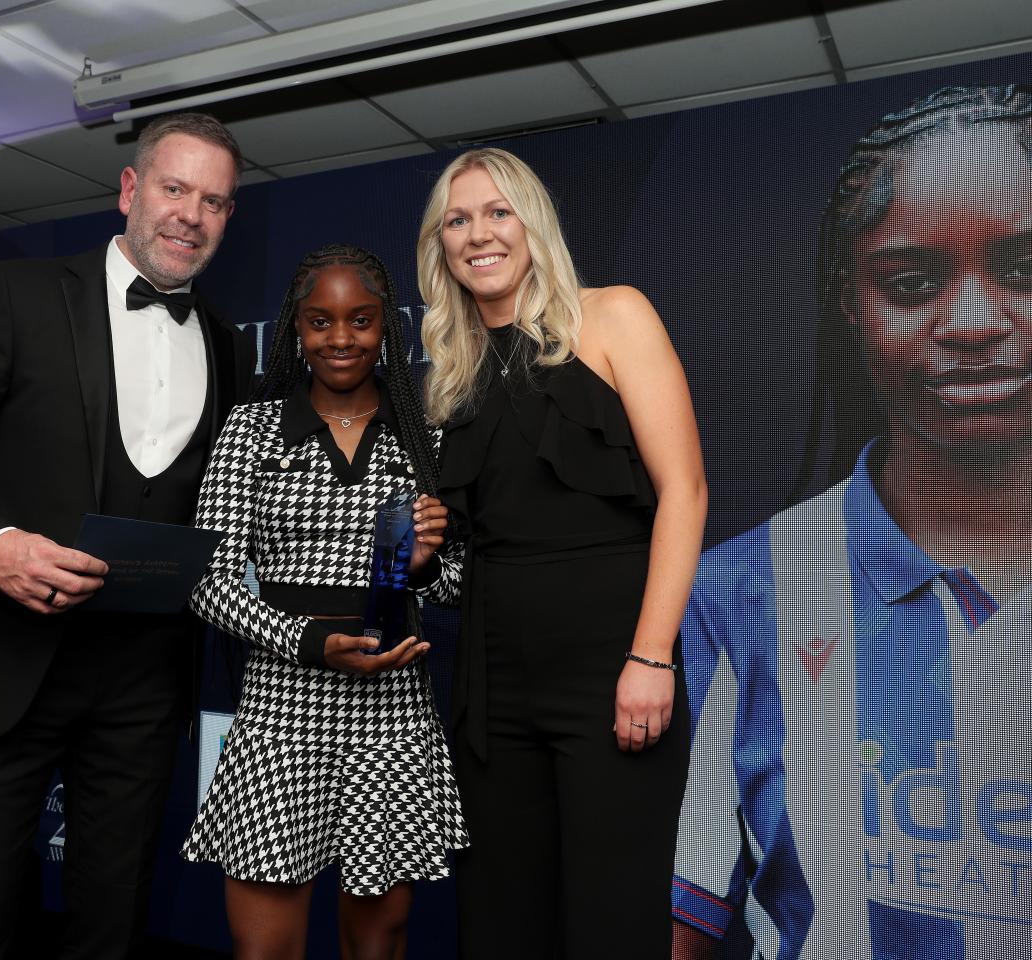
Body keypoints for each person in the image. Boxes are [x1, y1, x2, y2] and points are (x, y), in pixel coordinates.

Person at [0, 112, 256, 960]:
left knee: (112, 927)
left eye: (214, 201)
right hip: (5, 665)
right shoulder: (24, 294)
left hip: (145, 685)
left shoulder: (231, 348)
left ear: (228, 218)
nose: (190, 214)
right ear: (130, 190)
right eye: (173, 188)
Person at [671, 84, 1032, 959]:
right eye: (912, 281)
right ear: (849, 301)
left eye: (1024, 269)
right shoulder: (739, 590)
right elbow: (695, 900)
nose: (977, 324)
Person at [416, 148, 707, 958]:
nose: (480, 233)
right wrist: (419, 550)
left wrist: (651, 657)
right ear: (441, 245)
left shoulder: (613, 315)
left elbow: (685, 492)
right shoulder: (453, 369)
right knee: (503, 918)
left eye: (497, 211)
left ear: (533, 222)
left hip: (611, 666)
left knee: (613, 917)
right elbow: (472, 547)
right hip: (492, 679)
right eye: (459, 219)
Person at [180, 244, 468, 960]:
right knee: (265, 947)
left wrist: (423, 566)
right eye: (321, 322)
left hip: (392, 713)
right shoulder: (249, 432)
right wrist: (308, 643)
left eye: (361, 320)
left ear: (386, 329)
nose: (341, 339)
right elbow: (205, 583)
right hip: (282, 710)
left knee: (379, 941)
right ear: (295, 331)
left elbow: (460, 588)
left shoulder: (424, 436)